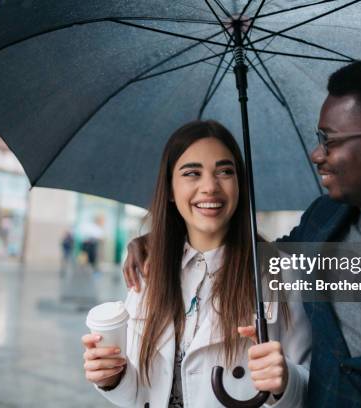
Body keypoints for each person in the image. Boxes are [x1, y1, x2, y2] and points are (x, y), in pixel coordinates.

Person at [123, 58, 361, 406]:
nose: (317, 154)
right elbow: (259, 255)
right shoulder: (323, 219)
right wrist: (160, 240)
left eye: (330, 140)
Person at [82, 120, 311, 407]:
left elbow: (310, 383)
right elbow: (140, 393)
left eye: (225, 172)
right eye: (192, 173)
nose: (210, 187)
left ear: (240, 185)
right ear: (169, 190)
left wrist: (286, 380)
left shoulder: (278, 270)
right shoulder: (149, 269)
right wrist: (111, 378)